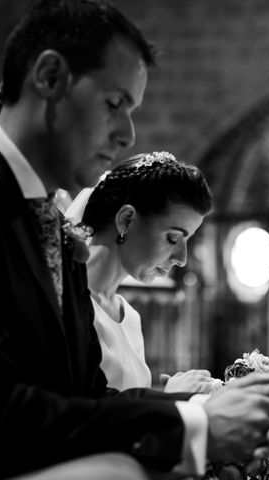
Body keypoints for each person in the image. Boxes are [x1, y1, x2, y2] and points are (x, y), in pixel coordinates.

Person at [0, 1, 269, 479]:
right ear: (49, 77)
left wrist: (214, 404)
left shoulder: (57, 232)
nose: (127, 134)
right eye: (114, 103)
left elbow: (83, 397)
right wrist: (192, 426)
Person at [66, 151, 219, 393]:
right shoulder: (67, 305)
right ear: (126, 220)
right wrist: (168, 399)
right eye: (173, 238)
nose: (182, 259)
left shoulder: (131, 318)